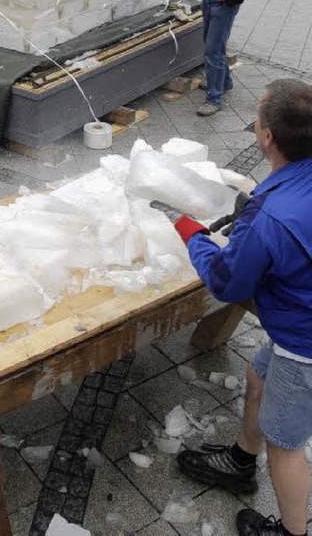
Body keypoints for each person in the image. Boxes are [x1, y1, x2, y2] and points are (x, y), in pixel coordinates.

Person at [152, 79, 312, 536]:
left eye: (258, 115)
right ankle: (241, 460)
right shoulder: (287, 194)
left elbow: (226, 280)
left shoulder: (272, 218)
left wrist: (191, 232)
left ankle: (291, 532)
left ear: (266, 138)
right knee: (257, 375)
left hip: (304, 344)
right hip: (296, 328)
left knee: (286, 446)